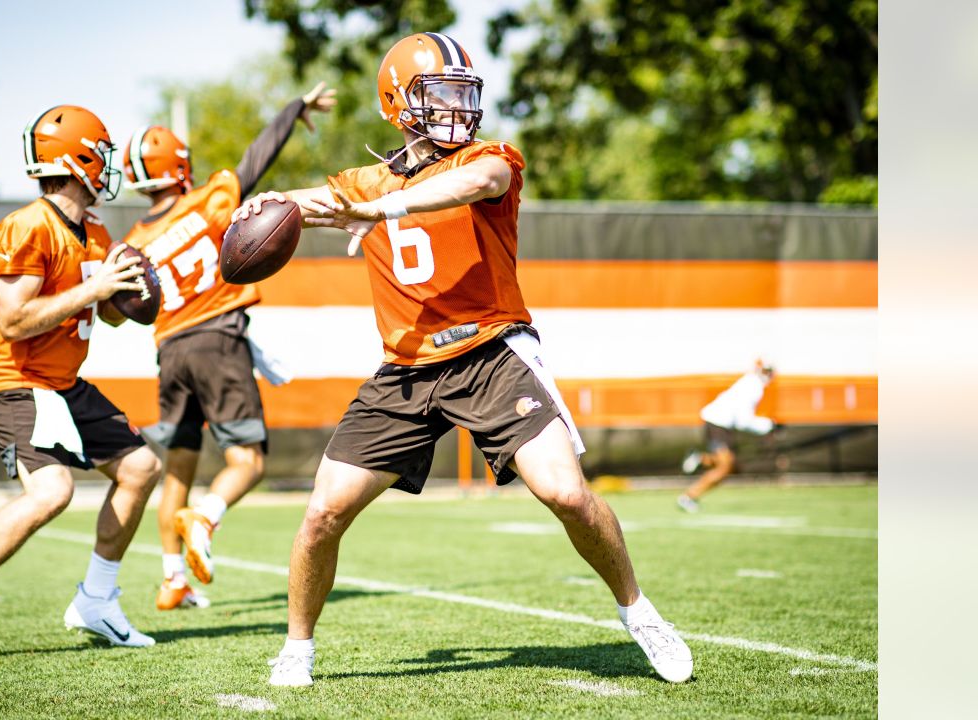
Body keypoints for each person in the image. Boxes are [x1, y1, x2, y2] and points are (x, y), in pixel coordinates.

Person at [232, 33, 694, 687]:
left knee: (565, 492)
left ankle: (639, 612)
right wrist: (263, 206)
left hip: (493, 354)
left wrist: (380, 207)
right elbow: (304, 204)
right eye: (439, 93)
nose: (458, 106)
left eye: (463, 92)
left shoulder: (489, 158)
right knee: (322, 514)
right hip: (405, 372)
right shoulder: (366, 181)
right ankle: (298, 648)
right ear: (399, 105)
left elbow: (477, 182)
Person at [0, 105, 163, 657]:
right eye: (99, 153)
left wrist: (133, 289)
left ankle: (96, 601)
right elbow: (14, 320)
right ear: (77, 160)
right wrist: (96, 289)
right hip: (11, 379)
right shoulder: (27, 226)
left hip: (62, 382)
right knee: (53, 491)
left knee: (141, 467)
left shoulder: (95, 230)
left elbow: (110, 312)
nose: (106, 165)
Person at [121, 84, 336, 611]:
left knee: (178, 467)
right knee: (248, 460)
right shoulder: (208, 199)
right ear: (179, 166)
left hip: (169, 350)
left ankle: (173, 579)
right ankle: (207, 516)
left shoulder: (133, 241)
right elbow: (256, 157)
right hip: (216, 337)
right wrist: (295, 109)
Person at [678, 361, 777, 512]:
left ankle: (700, 458)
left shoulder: (751, 382)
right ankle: (688, 497)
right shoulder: (754, 386)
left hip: (720, 423)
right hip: (718, 424)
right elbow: (743, 421)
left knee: (732, 466)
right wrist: (767, 425)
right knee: (725, 467)